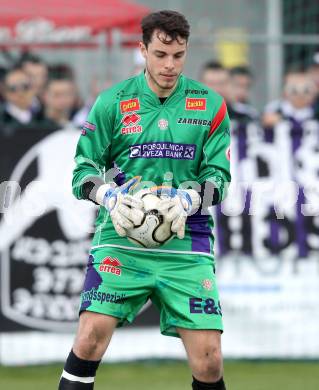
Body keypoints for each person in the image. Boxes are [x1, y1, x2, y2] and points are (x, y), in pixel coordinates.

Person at [59, 10, 230, 390]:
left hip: (188, 240)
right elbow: (82, 171)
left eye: (178, 55)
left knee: (209, 362)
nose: (170, 65)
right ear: (142, 50)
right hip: (120, 238)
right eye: (160, 54)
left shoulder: (212, 105)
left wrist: (187, 201)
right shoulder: (112, 102)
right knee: (89, 337)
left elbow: (220, 180)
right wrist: (108, 196)